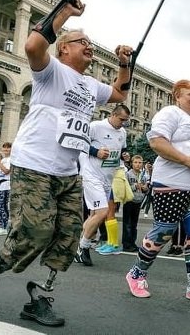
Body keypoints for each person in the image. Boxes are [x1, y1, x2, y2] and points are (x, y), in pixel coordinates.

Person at [0, 0, 131, 327]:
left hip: (69, 172)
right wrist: (64, 13)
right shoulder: (50, 71)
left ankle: (40, 297)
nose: (89, 46)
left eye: (90, 42)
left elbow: (119, 93)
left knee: (69, 238)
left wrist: (124, 63)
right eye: (81, 42)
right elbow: (31, 45)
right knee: (34, 232)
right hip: (35, 165)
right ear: (63, 49)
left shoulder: (90, 85)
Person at [125, 80, 190, 303]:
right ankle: (136, 274)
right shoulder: (169, 113)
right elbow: (156, 142)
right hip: (171, 183)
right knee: (164, 232)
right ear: (177, 96)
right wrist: (186, 159)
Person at [74, 104, 130, 262]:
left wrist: (125, 155)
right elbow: (79, 143)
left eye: (126, 121)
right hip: (91, 175)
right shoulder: (95, 126)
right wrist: (96, 152)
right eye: (121, 120)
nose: (123, 123)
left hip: (108, 178)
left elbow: (123, 150)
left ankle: (74, 242)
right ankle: (82, 247)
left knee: (94, 215)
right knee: (103, 212)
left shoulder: (123, 132)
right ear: (113, 115)